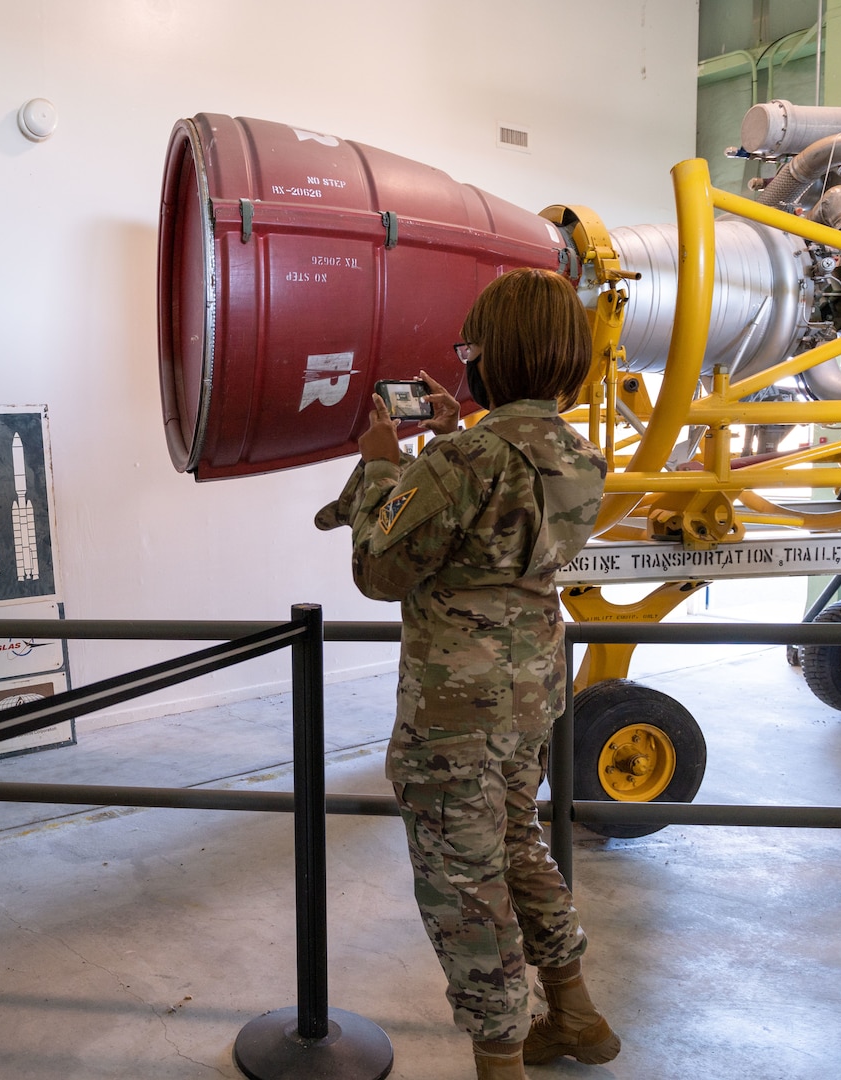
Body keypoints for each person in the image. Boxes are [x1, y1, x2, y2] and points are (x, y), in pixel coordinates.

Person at [314, 267, 616, 1080]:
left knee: (459, 878)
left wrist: (383, 463)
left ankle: (499, 1061)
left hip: (455, 703)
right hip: (533, 688)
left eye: (469, 347)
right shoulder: (580, 455)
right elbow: (496, 518)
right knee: (517, 842)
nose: (464, 359)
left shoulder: (469, 456)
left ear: (495, 354)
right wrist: (451, 441)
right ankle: (575, 1012)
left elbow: (380, 569)